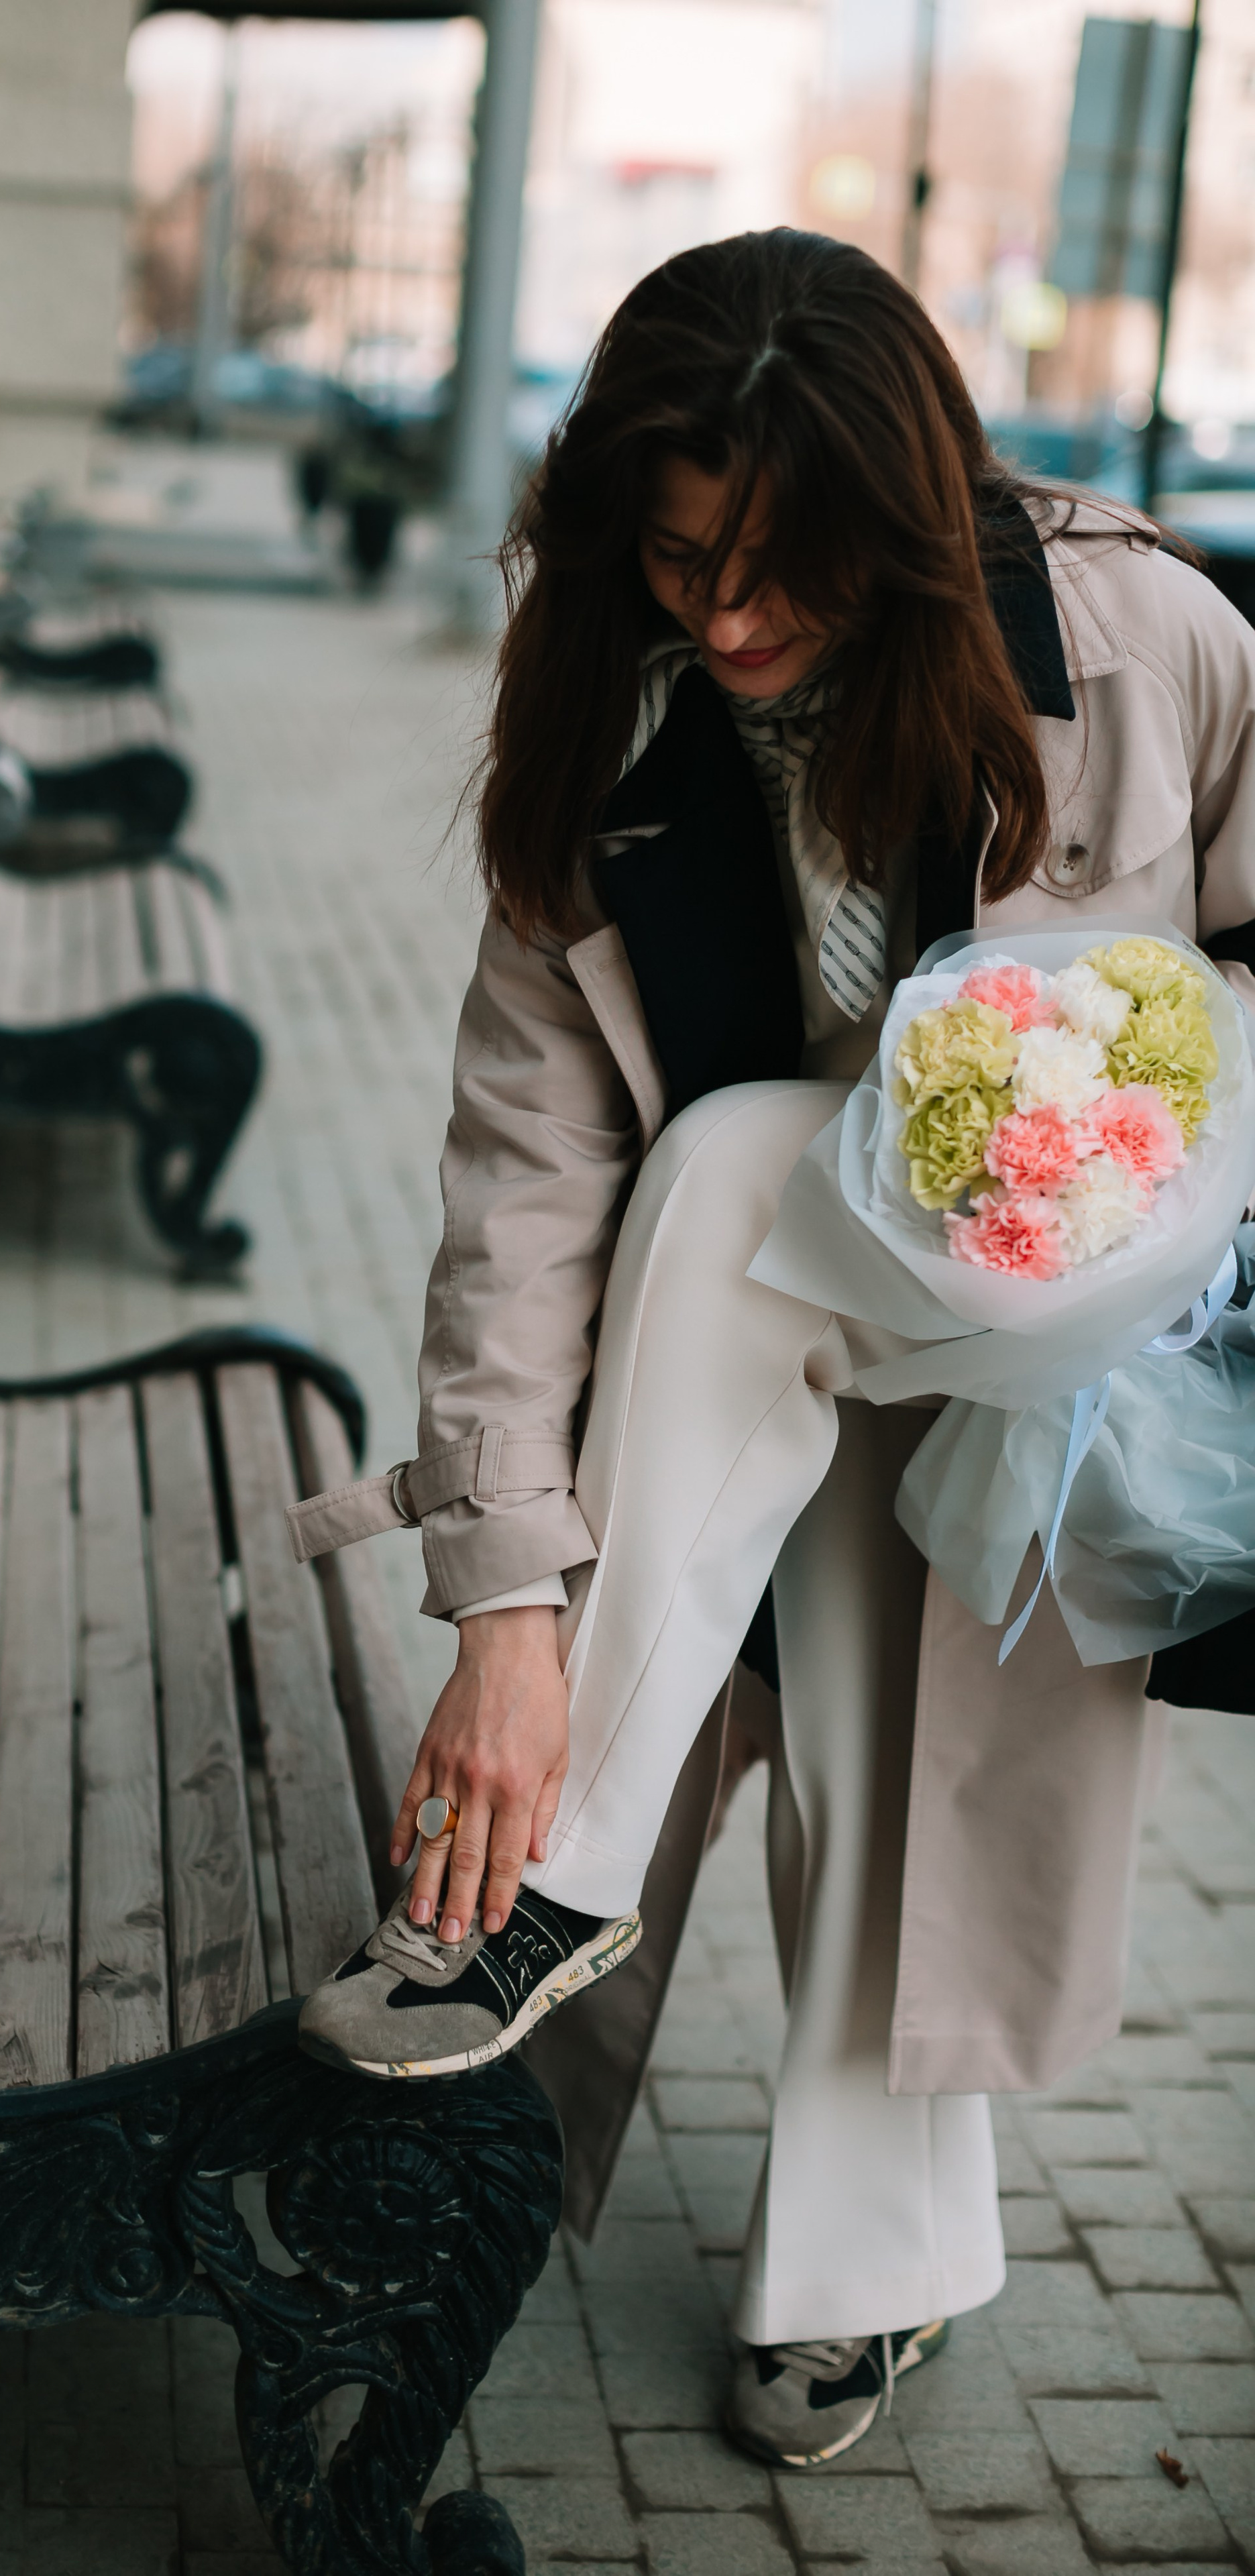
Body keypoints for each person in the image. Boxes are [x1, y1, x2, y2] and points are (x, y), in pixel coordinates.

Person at [288, 229, 1255, 2468]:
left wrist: (1126, 1140)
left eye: (785, 566)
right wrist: (508, 1616)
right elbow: (522, 1188)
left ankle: (547, 1889)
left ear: (903, 527)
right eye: (679, 550)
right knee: (848, 1680)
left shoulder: (1143, 639)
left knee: (731, 1162)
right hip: (761, 1347)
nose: (726, 616)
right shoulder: (605, 710)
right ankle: (871, 2271)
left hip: (1088, 1315)